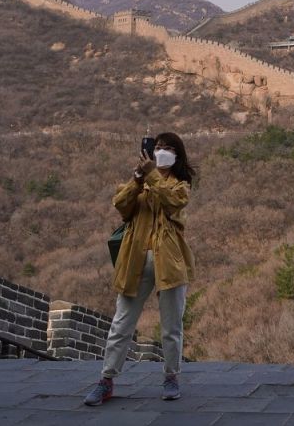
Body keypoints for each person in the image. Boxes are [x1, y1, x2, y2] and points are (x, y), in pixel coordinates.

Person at [84, 132, 197, 406]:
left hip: (169, 261)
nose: (162, 152)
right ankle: (106, 379)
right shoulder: (143, 182)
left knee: (171, 325)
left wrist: (152, 176)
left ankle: (171, 377)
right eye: (158, 147)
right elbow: (121, 206)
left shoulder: (181, 184)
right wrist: (137, 179)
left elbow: (173, 203)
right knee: (122, 322)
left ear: (178, 155)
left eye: (168, 148)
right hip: (136, 259)